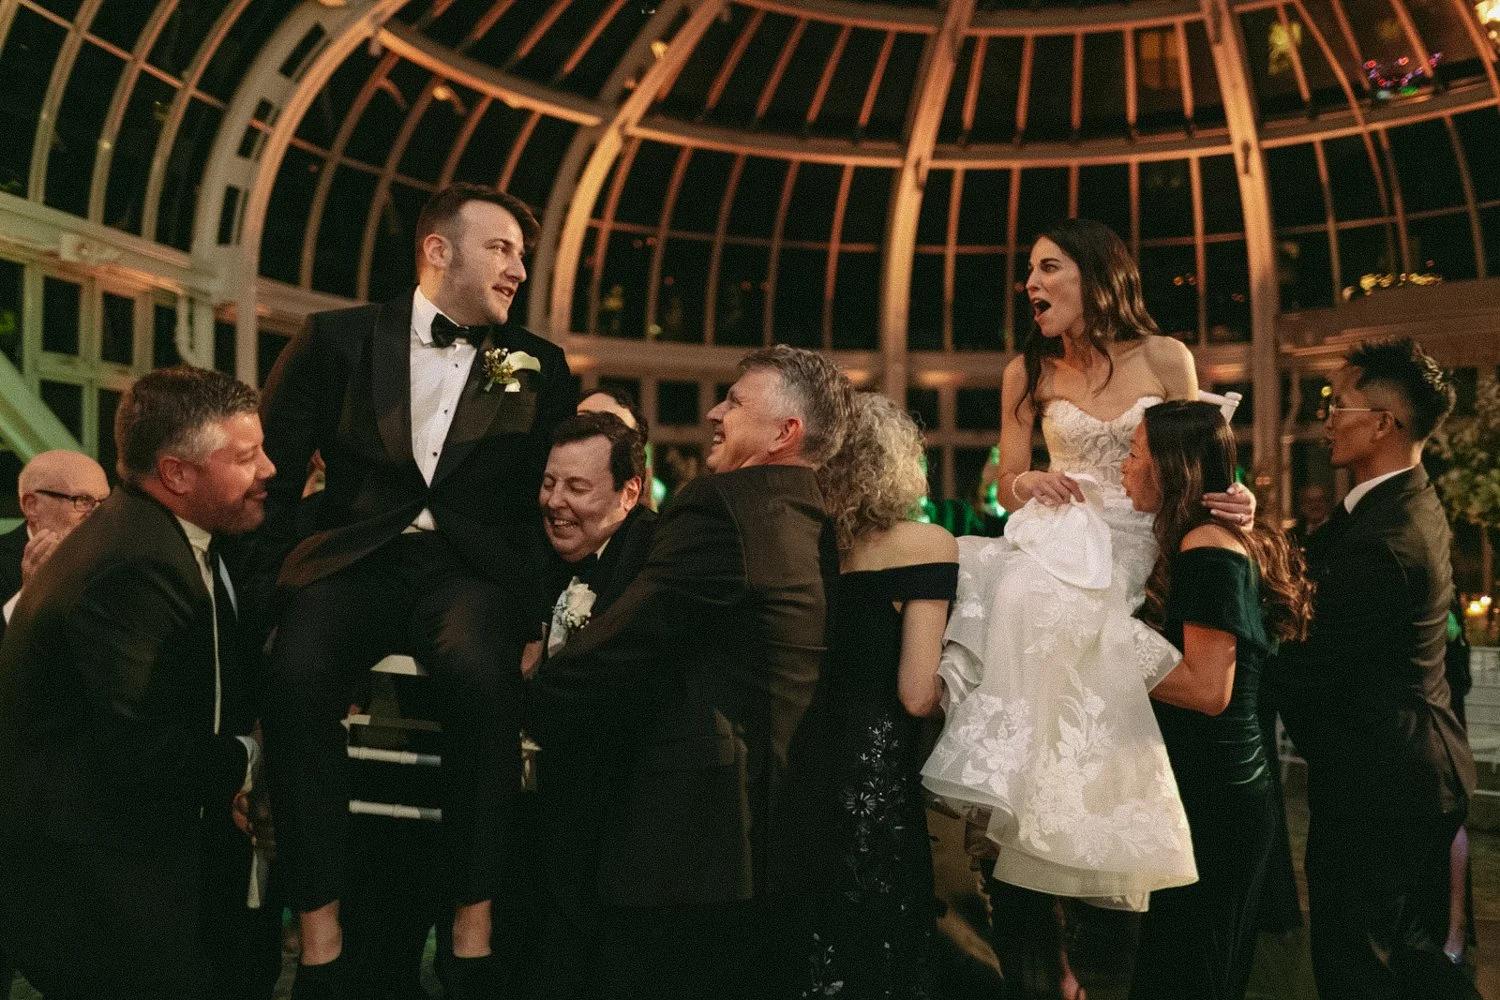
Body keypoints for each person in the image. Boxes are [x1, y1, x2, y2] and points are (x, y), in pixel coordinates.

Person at [250, 182, 576, 999]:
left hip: (470, 574)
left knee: (479, 676)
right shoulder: (335, 339)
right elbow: (274, 479)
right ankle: (318, 926)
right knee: (295, 675)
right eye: (501, 249)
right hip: (355, 560)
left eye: (522, 256)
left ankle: (473, 920)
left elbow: (549, 497)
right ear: (438, 250)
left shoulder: (534, 360)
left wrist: (536, 609)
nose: (517, 269)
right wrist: (267, 593)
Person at [921, 219, 1253, 998]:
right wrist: (1026, 483)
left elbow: (1204, 450)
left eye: (1047, 268)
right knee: (1017, 606)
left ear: (1096, 275)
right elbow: (1005, 478)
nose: (1030, 285)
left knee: (1093, 659)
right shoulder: (1023, 371)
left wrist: (1237, 494)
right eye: (1027, 273)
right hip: (1063, 536)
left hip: (1145, 537)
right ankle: (1039, 885)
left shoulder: (1165, 357)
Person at [530, 345, 852, 1000]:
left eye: (735, 402)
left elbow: (624, 645)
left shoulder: (724, 505)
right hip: (784, 843)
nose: (713, 412)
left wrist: (524, 700)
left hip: (693, 851)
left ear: (784, 433)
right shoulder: (818, 517)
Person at [0, 367, 277, 1000]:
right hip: (97, 893)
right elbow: (136, 755)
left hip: (129, 871)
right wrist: (253, 756)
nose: (269, 468)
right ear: (178, 474)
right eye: (245, 456)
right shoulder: (130, 567)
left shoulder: (164, 538)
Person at [1277, 338, 1479, 1000]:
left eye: (1340, 405)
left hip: (1382, 781)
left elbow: (1309, 667)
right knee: (1409, 958)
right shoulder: (1392, 503)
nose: (1326, 418)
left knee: (1357, 964)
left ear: (1384, 423)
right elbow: (1312, 562)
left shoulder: (1387, 542)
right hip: (1405, 770)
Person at [1120, 400, 1315, 1000]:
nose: (1123, 468)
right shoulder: (1200, 537)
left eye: (1133, 455)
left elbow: (1208, 689)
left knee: (1189, 977)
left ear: (1172, 468)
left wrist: (1103, 663)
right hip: (1211, 791)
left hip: (1219, 801)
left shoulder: (1208, 545)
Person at [804, 391, 957, 998]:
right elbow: (918, 695)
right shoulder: (926, 544)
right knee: (880, 951)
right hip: (874, 773)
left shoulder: (807, 547)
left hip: (801, 766)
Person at [527, 411, 656, 999]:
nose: (555, 501)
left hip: (621, 825)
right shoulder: (539, 559)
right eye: (550, 483)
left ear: (630, 492)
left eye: (576, 488)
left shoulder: (649, 558)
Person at [0, 449, 110, 637]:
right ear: (32, 506)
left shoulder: (117, 557)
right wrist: (29, 596)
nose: (97, 515)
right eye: (83, 500)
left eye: (104, 502)